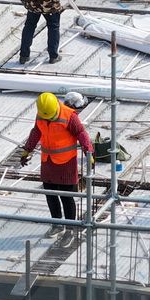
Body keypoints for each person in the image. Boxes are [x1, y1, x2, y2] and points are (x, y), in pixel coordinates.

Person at [20, 92, 93, 236]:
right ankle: (57, 225)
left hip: (66, 163)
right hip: (48, 161)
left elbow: (81, 133)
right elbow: (36, 132)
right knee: (50, 195)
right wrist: (27, 150)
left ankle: (70, 229)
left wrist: (88, 152)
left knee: (66, 197)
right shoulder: (42, 114)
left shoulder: (69, 116)